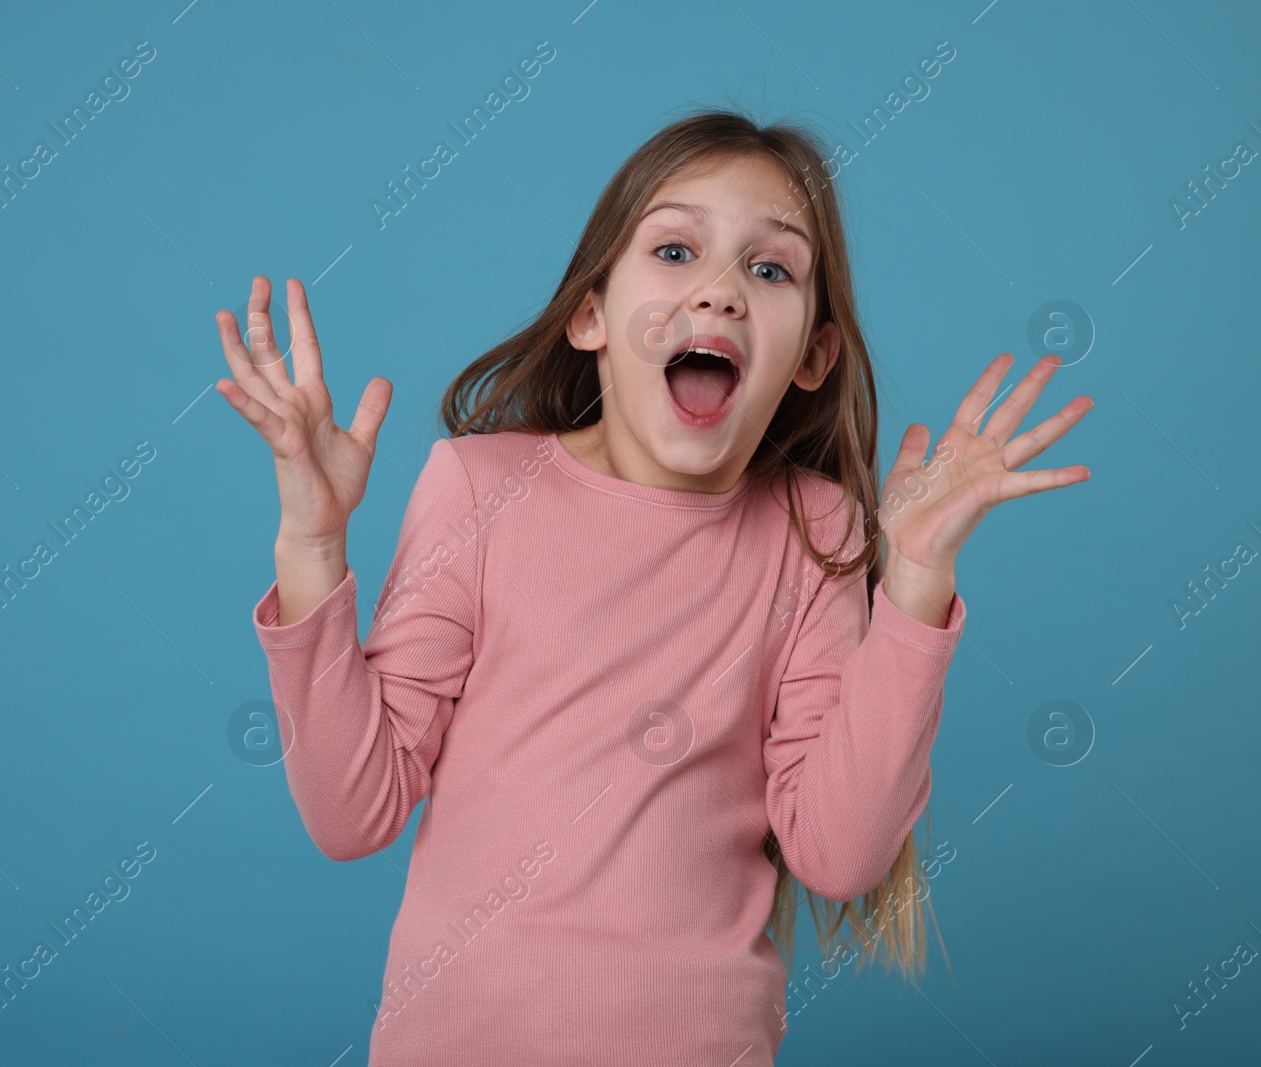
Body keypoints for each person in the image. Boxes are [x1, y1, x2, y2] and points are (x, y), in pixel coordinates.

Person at [215, 107, 1092, 1065]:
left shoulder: (816, 529)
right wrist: (311, 543)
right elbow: (355, 812)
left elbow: (841, 853)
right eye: (676, 250)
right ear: (591, 315)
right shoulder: (477, 488)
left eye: (769, 269)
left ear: (812, 357)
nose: (719, 293)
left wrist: (915, 582)